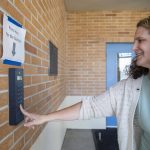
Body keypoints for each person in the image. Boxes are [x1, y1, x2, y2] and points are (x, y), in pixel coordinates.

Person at [20, 16, 150, 150]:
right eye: (134, 41)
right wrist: (44, 118)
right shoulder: (129, 87)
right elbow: (90, 106)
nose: (134, 47)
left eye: (140, 40)